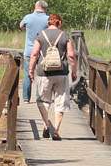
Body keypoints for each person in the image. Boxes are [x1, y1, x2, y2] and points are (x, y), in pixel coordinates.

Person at [28, 13, 77, 141]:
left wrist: (31, 70)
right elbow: (71, 56)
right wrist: (74, 71)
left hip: (44, 73)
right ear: (59, 23)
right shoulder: (65, 35)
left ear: (48, 23)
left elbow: (34, 54)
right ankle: (56, 130)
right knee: (60, 101)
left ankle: (45, 124)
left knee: (43, 100)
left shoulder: (41, 35)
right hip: (61, 73)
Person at [16, 0, 50, 102]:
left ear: (36, 6)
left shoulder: (28, 17)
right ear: (44, 8)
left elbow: (21, 26)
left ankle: (26, 98)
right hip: (43, 51)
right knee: (41, 74)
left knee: (27, 74)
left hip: (29, 51)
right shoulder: (48, 19)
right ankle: (40, 97)